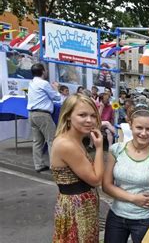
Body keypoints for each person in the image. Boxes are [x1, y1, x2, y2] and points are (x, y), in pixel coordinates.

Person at [103, 106, 149, 243]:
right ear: (130, 126)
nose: (144, 133)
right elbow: (106, 185)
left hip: (144, 220)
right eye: (139, 128)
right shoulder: (116, 150)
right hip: (116, 217)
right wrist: (133, 198)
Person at [50, 94, 104, 242]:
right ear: (68, 116)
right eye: (82, 115)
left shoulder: (75, 139)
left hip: (81, 206)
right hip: (76, 209)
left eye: (93, 115)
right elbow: (96, 179)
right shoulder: (66, 144)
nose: (89, 120)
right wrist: (99, 148)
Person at [26, 63, 61, 172]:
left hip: (32, 114)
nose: (46, 71)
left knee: (37, 141)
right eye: (45, 70)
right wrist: (56, 88)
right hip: (43, 114)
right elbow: (57, 97)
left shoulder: (31, 82)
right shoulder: (44, 83)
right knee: (52, 140)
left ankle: (38, 164)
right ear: (42, 71)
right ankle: (54, 165)